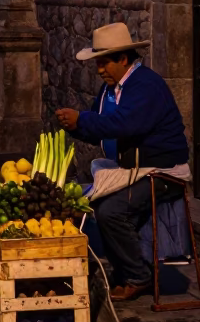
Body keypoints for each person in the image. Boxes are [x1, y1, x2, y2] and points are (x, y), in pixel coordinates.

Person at [55, 22, 190, 302]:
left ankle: (138, 276)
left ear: (123, 59)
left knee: (112, 211)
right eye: (98, 65)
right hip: (133, 171)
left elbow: (124, 124)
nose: (100, 70)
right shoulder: (110, 90)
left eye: (104, 64)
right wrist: (76, 126)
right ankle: (123, 269)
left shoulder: (146, 86)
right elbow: (101, 126)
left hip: (162, 173)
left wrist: (82, 118)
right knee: (92, 204)